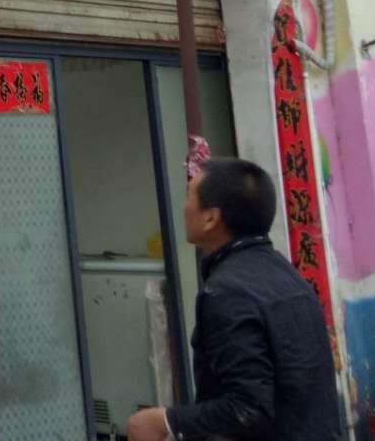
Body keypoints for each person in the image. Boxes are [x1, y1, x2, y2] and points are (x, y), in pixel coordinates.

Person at [125, 159, 343, 440]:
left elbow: (248, 408)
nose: (184, 207)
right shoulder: (287, 274)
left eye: (189, 196)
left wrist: (165, 421)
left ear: (211, 218)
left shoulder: (228, 292)